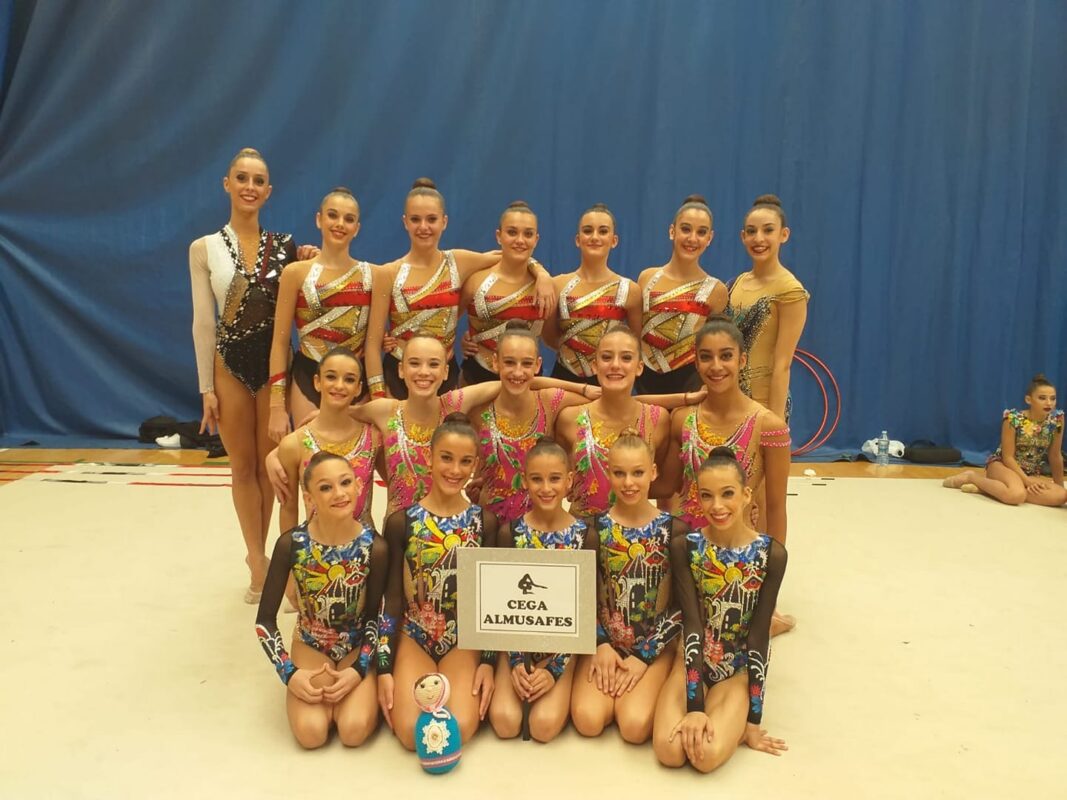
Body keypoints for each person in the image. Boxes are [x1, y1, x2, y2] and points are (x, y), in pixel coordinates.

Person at [189, 147, 297, 602]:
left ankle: (266, 551)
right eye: (242, 178)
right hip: (229, 366)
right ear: (227, 184)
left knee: (269, 466)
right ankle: (255, 557)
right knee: (243, 465)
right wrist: (205, 388)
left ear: (268, 191)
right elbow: (203, 322)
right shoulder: (204, 248)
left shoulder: (287, 247)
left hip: (274, 367)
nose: (250, 187)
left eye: (258, 180)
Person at [654, 316, 794, 635]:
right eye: (706, 357)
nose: (716, 366)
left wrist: (769, 584)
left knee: (721, 634)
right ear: (695, 362)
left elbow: (776, 508)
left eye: (726, 356)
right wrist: (615, 480)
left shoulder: (769, 426)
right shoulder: (683, 419)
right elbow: (666, 486)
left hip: (737, 553)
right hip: (686, 551)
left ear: (742, 360)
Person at [653, 447, 788, 771]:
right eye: (707, 495)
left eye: (727, 494)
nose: (717, 506)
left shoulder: (771, 554)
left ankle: (731, 712)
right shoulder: (686, 547)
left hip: (737, 669)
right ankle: (709, 706)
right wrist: (695, 707)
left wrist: (753, 720)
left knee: (706, 756)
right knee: (669, 752)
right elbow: (692, 623)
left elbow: (758, 637)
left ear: (746, 495)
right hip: (692, 661)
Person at [364, 179, 556, 400]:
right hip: (398, 374)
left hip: (445, 376)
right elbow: (372, 346)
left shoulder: (458, 261)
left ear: (444, 222)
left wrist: (541, 273)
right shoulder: (387, 273)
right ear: (405, 221)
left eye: (431, 219)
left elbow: (511, 255)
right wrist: (378, 397)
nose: (424, 227)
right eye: (416, 219)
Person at [377, 414, 499, 749]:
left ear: (475, 465)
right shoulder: (402, 522)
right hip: (414, 636)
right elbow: (392, 601)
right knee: (410, 734)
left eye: (465, 461)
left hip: (463, 639)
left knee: (459, 728)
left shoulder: (485, 523)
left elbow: (489, 602)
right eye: (446, 458)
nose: (455, 470)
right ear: (428, 458)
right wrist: (384, 667)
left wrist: (488, 662)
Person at [254, 452, 386, 749]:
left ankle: (363, 690)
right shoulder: (291, 544)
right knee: (311, 734)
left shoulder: (375, 547)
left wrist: (360, 668)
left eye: (345, 482)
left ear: (358, 486)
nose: (339, 493)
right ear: (309, 497)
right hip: (311, 643)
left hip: (356, 645)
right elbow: (264, 621)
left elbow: (377, 617)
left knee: (353, 731)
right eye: (326, 487)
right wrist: (289, 672)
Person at [570, 433, 684, 744]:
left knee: (634, 726)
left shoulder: (674, 531)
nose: (629, 482)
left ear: (653, 472)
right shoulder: (592, 529)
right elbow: (580, 595)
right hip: (605, 642)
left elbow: (682, 605)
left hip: (654, 645)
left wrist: (644, 656)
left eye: (638, 472)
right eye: (619, 473)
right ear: (608, 473)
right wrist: (600, 643)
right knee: (588, 720)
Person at [488, 438, 599, 742]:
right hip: (518, 642)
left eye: (555, 479)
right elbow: (500, 607)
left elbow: (587, 609)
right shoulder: (510, 533)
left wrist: (556, 669)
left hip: (565, 647)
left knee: (543, 726)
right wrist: (514, 662)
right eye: (537, 479)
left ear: (569, 480)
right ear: (524, 480)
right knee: (505, 722)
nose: (546, 488)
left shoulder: (585, 536)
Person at [268, 187, 374, 442]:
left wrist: (379, 398)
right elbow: (279, 343)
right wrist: (276, 407)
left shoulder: (373, 275)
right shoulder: (295, 273)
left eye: (348, 219)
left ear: (357, 228)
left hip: (355, 379)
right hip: (307, 374)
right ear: (319, 219)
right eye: (333, 215)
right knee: (310, 456)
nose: (340, 224)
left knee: (354, 459)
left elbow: (374, 342)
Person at [467, 321, 596, 524]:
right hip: (490, 524)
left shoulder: (550, 401)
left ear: (537, 365)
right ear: (495, 362)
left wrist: (583, 389)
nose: (518, 372)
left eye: (527, 364)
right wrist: (474, 486)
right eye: (509, 363)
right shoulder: (478, 408)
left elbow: (612, 401)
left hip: (538, 527)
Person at [554, 323, 674, 519]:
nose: (615, 365)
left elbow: (664, 485)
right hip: (584, 532)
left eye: (626, 358)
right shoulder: (570, 418)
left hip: (635, 532)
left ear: (639, 367)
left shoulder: (658, 419)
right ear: (594, 365)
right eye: (607, 357)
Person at [273, 347, 380, 532]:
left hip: (366, 546)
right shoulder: (294, 444)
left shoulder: (373, 437)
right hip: (314, 546)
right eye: (331, 377)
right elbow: (288, 510)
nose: (339, 385)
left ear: (358, 388)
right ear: (317, 382)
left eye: (349, 379)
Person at [728, 194, 809, 421]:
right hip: (728, 401)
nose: (759, 238)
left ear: (784, 234)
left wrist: (775, 422)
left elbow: (783, 364)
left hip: (764, 405)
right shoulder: (736, 284)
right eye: (751, 231)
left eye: (768, 230)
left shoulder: (789, 290)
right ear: (743, 237)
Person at [636, 195, 727, 395]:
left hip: (690, 383)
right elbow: (635, 333)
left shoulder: (717, 290)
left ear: (710, 238)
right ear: (672, 231)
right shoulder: (646, 278)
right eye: (686, 229)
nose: (692, 238)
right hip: (644, 382)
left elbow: (715, 346)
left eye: (701, 232)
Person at [543, 204, 642, 386]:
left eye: (603, 231)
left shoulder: (630, 290)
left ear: (614, 240)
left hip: (609, 382)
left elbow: (635, 344)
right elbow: (549, 335)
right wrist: (572, 351)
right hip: (564, 381)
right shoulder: (557, 285)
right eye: (588, 231)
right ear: (577, 239)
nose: (595, 237)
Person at [943, 374, 1066, 506]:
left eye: (1053, 398)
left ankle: (994, 489)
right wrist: (1026, 480)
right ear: (1028, 399)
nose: (1049, 403)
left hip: (1030, 473)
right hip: (1003, 466)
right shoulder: (1013, 419)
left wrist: (1060, 489)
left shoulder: (1057, 420)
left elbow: (1055, 455)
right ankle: (972, 477)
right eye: (1042, 398)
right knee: (1016, 495)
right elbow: (1008, 458)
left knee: (1061, 496)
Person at [459, 201, 547, 386]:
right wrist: (465, 340)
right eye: (512, 232)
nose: (520, 240)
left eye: (528, 234)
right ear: (499, 236)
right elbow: (446, 324)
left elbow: (554, 337)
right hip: (476, 378)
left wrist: (542, 273)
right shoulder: (475, 281)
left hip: (527, 383)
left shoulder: (545, 286)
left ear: (536, 239)